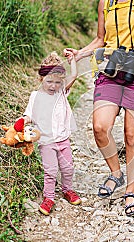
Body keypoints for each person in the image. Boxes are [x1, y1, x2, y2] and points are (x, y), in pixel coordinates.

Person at [64, 0, 134, 216]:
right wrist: (80, 53)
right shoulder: (106, 2)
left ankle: (131, 191)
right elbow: (100, 39)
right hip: (112, 68)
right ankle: (116, 173)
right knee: (99, 127)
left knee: (132, 134)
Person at [20, 51, 81, 216]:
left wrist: (72, 61)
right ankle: (49, 198)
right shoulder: (36, 96)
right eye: (49, 81)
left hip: (63, 140)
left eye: (57, 82)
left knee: (68, 168)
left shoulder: (61, 92)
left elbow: (74, 75)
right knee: (51, 171)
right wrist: (22, 122)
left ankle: (67, 190)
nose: (53, 86)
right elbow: (29, 115)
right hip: (46, 141)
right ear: (41, 79)